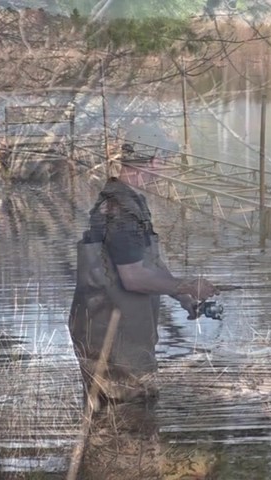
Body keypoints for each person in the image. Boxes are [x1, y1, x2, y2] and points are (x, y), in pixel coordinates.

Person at [69, 144, 219, 406]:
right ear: (153, 160)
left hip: (121, 334)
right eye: (164, 160)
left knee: (131, 417)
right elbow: (133, 277)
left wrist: (183, 296)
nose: (164, 170)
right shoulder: (120, 210)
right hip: (113, 339)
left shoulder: (130, 201)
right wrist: (187, 284)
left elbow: (149, 261)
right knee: (126, 420)